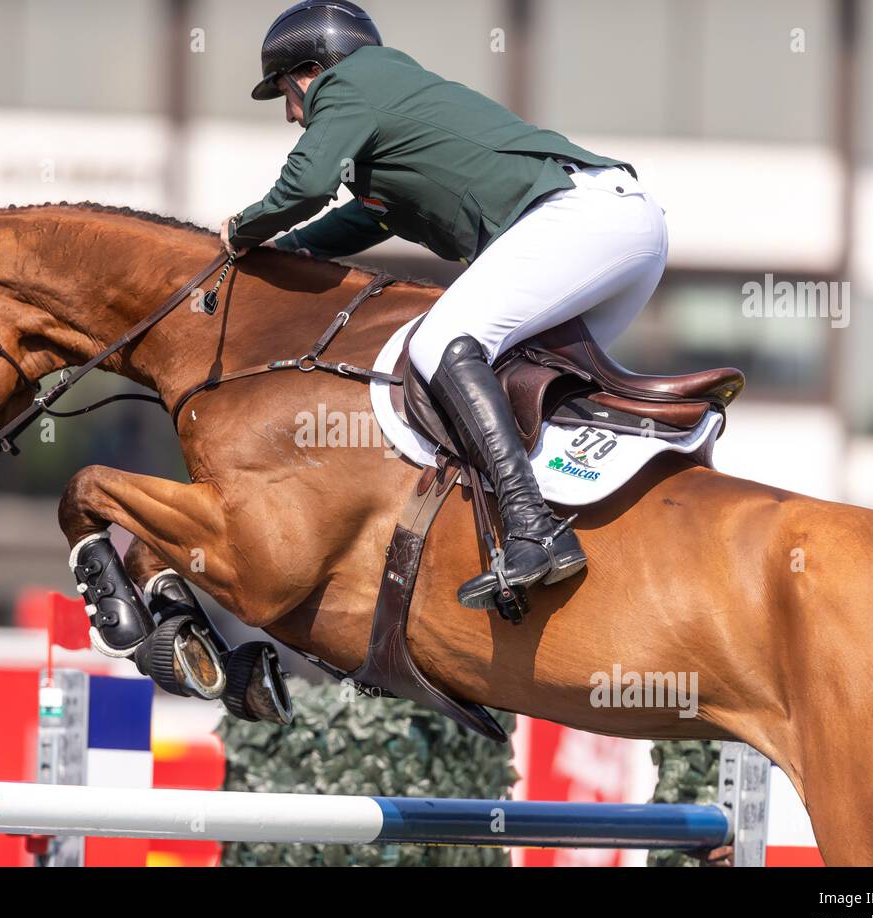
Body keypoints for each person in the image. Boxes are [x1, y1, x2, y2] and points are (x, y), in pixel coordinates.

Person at [220, 1, 668, 614]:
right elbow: (365, 219)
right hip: (621, 230)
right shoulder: (387, 108)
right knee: (517, 382)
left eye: (283, 94)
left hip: (581, 219)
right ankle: (581, 530)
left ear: (310, 71)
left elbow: (305, 186)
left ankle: (532, 529)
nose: (291, 115)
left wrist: (238, 232)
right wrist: (288, 250)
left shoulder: (349, 83)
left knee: (439, 344)